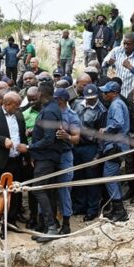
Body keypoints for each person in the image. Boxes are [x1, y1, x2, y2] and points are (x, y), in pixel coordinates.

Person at [0, 91, 28, 237]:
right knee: (1, 194)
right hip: (1, 161)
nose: (18, 109)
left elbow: (22, 137)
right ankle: (0, 222)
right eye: (16, 106)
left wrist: (26, 153)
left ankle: (12, 220)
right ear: (7, 104)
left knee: (15, 193)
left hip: (16, 159)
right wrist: (3, 141)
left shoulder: (19, 116)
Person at [28, 83, 65, 242]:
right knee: (47, 190)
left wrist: (29, 147)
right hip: (45, 156)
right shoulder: (51, 108)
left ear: (41, 94)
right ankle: (47, 227)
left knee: (38, 189)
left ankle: (51, 227)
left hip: (46, 157)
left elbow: (49, 139)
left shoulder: (50, 111)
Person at [72, 83, 107, 221]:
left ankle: (92, 209)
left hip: (91, 147)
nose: (90, 100)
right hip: (76, 146)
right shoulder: (78, 104)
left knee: (91, 179)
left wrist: (98, 154)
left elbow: (102, 136)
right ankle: (80, 206)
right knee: (78, 177)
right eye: (88, 98)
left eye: (93, 98)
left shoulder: (101, 111)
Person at [98, 81, 130, 221]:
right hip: (117, 144)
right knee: (113, 176)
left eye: (106, 92)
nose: (104, 94)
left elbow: (118, 123)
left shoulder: (116, 105)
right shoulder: (117, 103)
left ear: (115, 93)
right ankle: (116, 208)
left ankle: (119, 211)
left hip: (116, 145)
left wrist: (106, 129)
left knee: (109, 176)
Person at [54, 87, 81, 235]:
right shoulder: (50, 111)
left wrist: (67, 137)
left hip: (65, 155)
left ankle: (66, 223)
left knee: (64, 189)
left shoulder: (72, 116)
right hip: (51, 155)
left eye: (56, 98)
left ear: (62, 100)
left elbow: (76, 139)